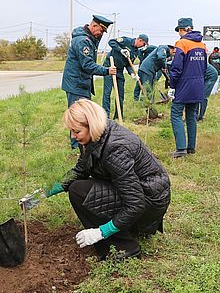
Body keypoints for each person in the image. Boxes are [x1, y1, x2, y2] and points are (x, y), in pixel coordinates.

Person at [44, 99, 170, 260]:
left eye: (76, 131)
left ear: (91, 124)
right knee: (78, 187)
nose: (73, 136)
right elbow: (80, 170)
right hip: (137, 193)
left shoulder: (115, 150)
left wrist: (102, 231)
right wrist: (45, 192)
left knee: (79, 191)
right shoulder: (95, 137)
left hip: (149, 201)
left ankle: (124, 247)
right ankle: (125, 229)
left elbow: (135, 203)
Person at [61, 15, 117, 149]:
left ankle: (83, 141)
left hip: (82, 83)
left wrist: (97, 37)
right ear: (94, 26)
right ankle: (76, 146)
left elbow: (89, 60)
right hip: (75, 84)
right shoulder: (82, 41)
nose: (101, 34)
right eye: (101, 31)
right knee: (77, 115)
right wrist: (106, 70)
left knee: (84, 113)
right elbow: (87, 65)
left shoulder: (90, 39)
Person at [168, 18, 207, 157]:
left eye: (179, 30)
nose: (179, 34)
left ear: (183, 30)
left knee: (176, 114)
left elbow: (176, 67)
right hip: (198, 85)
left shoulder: (181, 43)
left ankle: (180, 149)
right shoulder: (202, 45)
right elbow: (205, 67)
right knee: (191, 115)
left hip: (184, 85)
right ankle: (191, 148)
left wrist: (172, 85)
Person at [102, 34, 148, 113]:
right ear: (140, 40)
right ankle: (106, 114)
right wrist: (121, 50)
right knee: (107, 92)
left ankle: (118, 115)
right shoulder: (126, 41)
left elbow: (128, 64)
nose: (143, 46)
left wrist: (132, 74)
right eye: (143, 44)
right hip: (109, 67)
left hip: (119, 70)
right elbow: (111, 42)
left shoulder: (136, 52)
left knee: (121, 94)